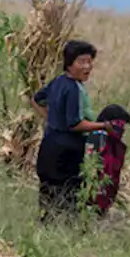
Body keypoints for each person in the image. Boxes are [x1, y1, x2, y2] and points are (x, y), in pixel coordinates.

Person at [32, 40, 112, 223]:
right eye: (81, 62)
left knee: (48, 196)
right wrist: (102, 126)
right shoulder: (73, 89)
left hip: (49, 146)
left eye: (90, 62)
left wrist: (52, 119)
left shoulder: (58, 81)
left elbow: (37, 99)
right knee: (68, 197)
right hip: (66, 151)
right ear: (69, 64)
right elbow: (75, 124)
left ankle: (45, 228)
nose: (87, 67)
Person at [92, 104, 130, 216]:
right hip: (93, 199)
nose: (122, 129)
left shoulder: (114, 144)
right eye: (119, 124)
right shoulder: (98, 140)